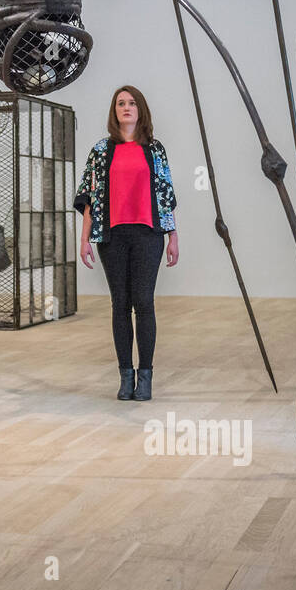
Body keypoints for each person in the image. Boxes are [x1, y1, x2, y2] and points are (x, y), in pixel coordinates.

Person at [74, 86, 178, 401]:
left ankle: (145, 376)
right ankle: (125, 376)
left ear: (140, 109)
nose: (126, 107)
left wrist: (173, 236)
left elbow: (166, 195)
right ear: (114, 111)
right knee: (120, 305)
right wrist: (84, 238)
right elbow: (89, 196)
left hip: (149, 234)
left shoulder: (155, 150)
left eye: (132, 103)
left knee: (144, 303)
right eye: (121, 103)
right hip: (112, 235)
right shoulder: (101, 151)